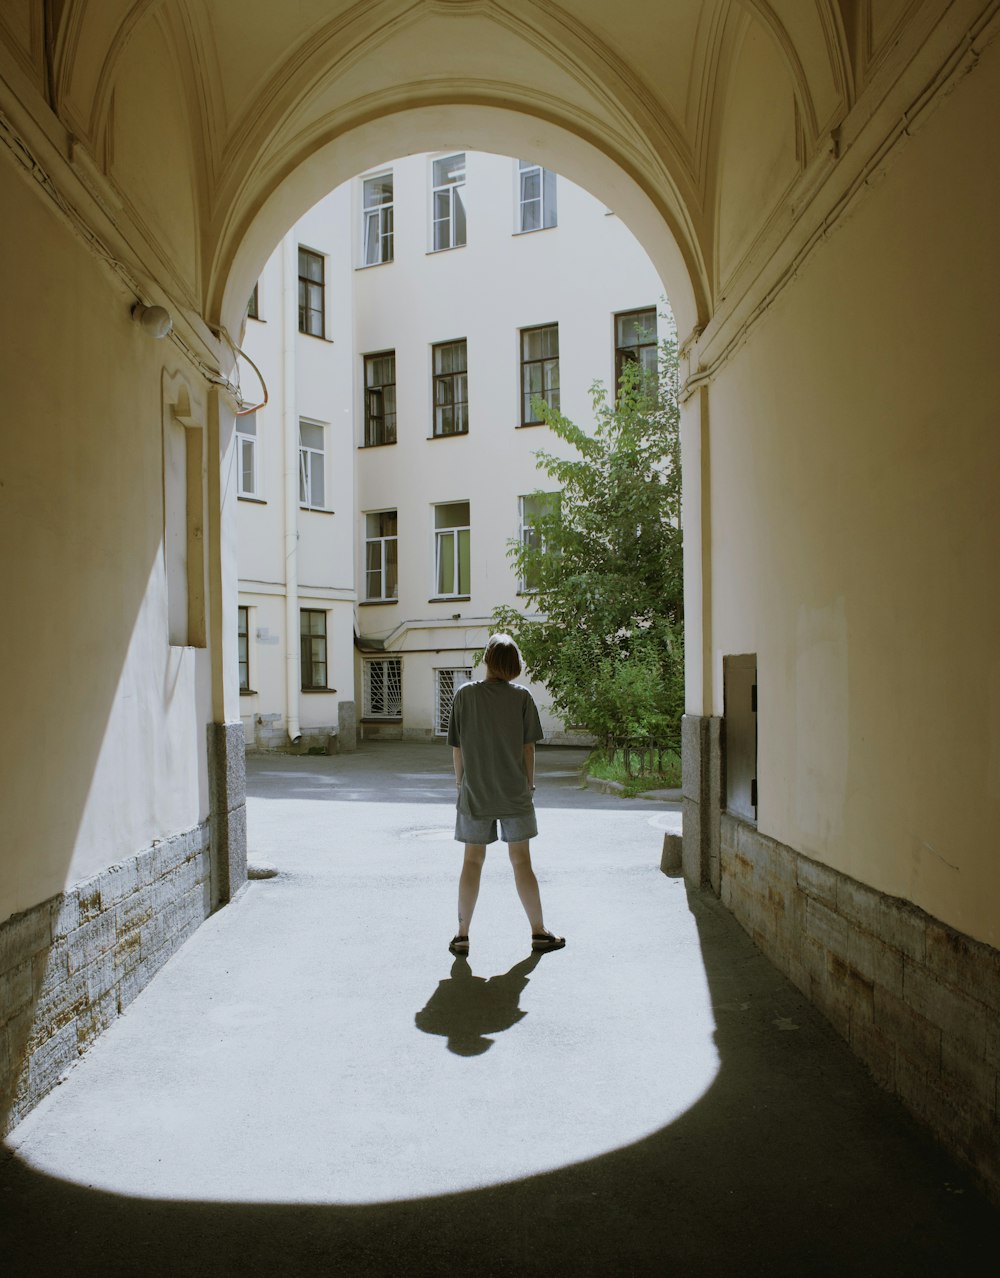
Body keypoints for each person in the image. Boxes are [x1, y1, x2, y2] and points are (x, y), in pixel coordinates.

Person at [446, 632, 565, 956]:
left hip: (475, 793)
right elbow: (528, 749)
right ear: (514, 666)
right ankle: (539, 932)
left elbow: (458, 749)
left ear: (486, 660)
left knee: (472, 861)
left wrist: (461, 784)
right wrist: (529, 786)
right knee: (521, 861)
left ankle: (462, 935)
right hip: (514, 793)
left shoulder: (464, 696)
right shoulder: (522, 697)